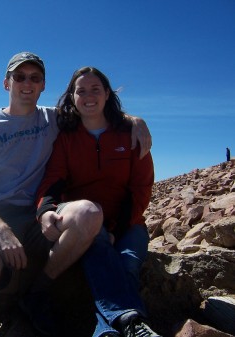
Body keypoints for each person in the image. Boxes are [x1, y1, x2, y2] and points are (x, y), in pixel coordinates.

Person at [0, 53, 152, 337]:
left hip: (40, 214)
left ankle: (39, 292)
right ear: (6, 83)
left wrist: (133, 120)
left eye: (35, 78)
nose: (27, 83)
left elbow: (93, 109)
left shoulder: (55, 118)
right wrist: (1, 230)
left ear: (43, 86)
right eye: (20, 76)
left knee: (88, 213)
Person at [36, 66, 160, 337]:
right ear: (72, 97)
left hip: (128, 224)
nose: (88, 96)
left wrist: (115, 229)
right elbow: (53, 179)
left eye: (95, 89)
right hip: (88, 223)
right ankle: (133, 325)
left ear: (107, 94)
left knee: (126, 264)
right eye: (81, 91)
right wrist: (45, 210)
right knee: (101, 245)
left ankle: (107, 331)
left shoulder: (130, 134)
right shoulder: (66, 137)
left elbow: (141, 189)